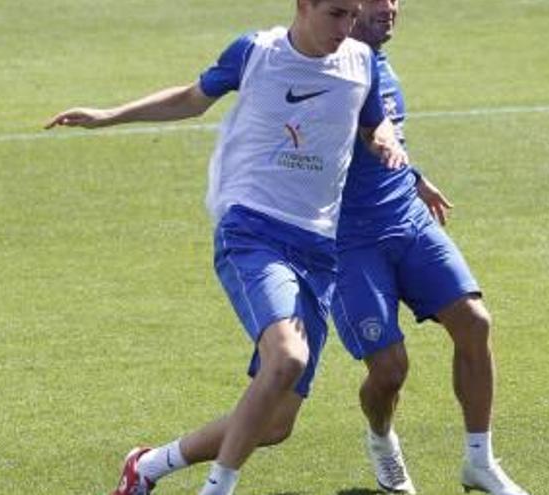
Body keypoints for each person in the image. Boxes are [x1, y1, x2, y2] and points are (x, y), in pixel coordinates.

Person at [45, 1, 407, 494]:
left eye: (352, 15)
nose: (346, 28)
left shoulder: (359, 62)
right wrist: (108, 115)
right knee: (288, 359)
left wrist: (385, 137)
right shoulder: (256, 52)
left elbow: (373, 122)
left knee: (276, 424)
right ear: (304, 6)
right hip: (254, 230)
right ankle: (218, 487)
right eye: (336, 14)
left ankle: (148, 466)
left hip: (319, 248)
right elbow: (192, 98)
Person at [331, 1, 530, 494]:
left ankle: (479, 463)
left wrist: (415, 178)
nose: (390, 7)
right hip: (352, 241)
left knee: (474, 323)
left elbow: (386, 132)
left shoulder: (378, 59)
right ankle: (382, 443)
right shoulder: (332, 68)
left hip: (409, 220)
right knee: (390, 370)